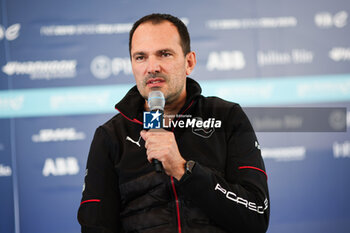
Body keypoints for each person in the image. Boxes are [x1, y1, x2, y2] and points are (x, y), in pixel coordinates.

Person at [78, 13, 269, 233]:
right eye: (140, 57)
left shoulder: (227, 117)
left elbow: (256, 217)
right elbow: (95, 227)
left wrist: (184, 169)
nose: (152, 67)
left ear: (189, 62)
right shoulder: (111, 136)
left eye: (164, 54)